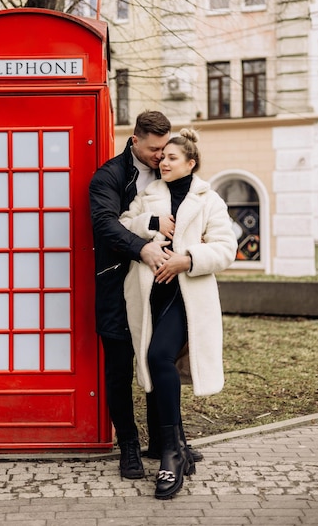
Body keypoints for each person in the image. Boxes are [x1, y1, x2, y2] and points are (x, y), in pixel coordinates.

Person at [119, 128, 237, 499]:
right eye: (162, 157)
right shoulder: (148, 194)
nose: (163, 162)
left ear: (191, 163)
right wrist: (150, 225)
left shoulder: (209, 199)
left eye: (172, 158)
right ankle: (180, 449)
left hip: (186, 297)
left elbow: (226, 248)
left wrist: (189, 259)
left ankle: (171, 454)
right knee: (158, 363)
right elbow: (123, 226)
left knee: (158, 357)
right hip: (150, 295)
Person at [89, 111, 173, 479]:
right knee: (119, 369)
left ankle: (163, 443)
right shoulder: (109, 175)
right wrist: (142, 248)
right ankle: (128, 448)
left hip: (161, 283)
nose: (160, 155)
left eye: (165, 148)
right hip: (116, 284)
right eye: (154, 148)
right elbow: (104, 223)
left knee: (160, 359)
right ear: (134, 140)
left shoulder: (169, 169)